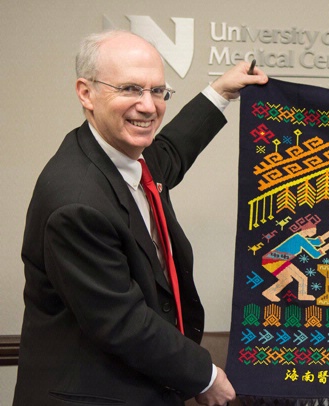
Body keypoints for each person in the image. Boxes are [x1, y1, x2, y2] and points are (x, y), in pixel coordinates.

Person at [13, 30, 267, 406]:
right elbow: (123, 321)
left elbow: (172, 149)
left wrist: (221, 92)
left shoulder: (126, 160)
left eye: (158, 91)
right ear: (86, 92)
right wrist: (205, 376)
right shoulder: (77, 201)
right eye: (131, 89)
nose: (148, 106)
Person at [261, 214, 329, 302]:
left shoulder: (298, 237)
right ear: (307, 230)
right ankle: (301, 295)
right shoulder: (300, 239)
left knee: (288, 279)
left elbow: (316, 242)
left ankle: (270, 293)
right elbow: (315, 254)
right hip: (275, 260)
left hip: (272, 259)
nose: (314, 233)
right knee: (301, 278)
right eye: (313, 231)